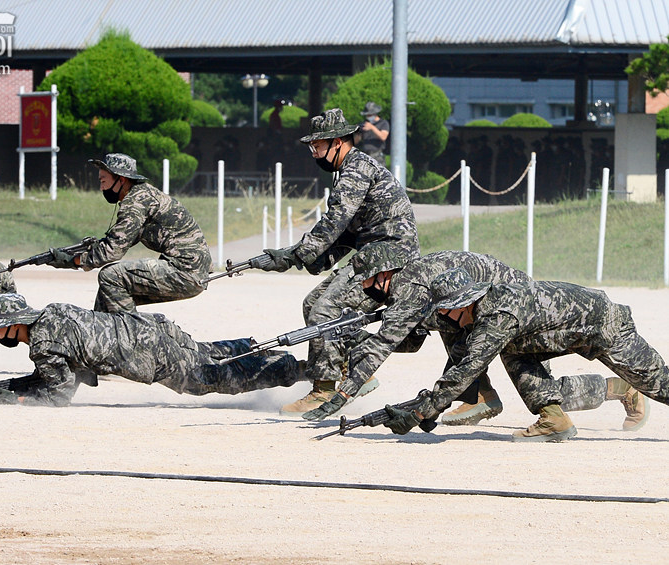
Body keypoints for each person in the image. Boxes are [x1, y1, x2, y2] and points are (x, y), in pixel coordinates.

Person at [302, 244, 646, 433]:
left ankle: (483, 396)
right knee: (513, 371)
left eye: (365, 282)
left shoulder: (411, 289)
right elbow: (412, 339)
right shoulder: (412, 287)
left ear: (382, 276)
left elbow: (387, 344)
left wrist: (340, 395)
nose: (363, 289)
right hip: (476, 310)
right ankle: (609, 392)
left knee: (496, 357)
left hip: (508, 309)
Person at [373, 268, 659, 442]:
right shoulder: (484, 309)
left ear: (463, 304)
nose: (443, 318)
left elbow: (467, 371)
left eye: (445, 310)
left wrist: (421, 412)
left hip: (605, 325)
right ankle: (553, 419)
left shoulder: (497, 318)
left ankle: (628, 389)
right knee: (512, 352)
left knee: (659, 384)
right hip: (567, 333)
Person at [258, 108, 419, 416]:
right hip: (374, 253)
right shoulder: (350, 169)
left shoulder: (356, 169)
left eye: (319, 144)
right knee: (312, 302)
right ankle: (356, 371)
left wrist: (295, 254)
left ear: (340, 142)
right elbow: (346, 234)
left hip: (388, 257)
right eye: (312, 145)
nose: (314, 151)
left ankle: (324, 389)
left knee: (325, 310)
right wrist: (304, 257)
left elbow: (335, 221)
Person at [0, 293, 308, 407]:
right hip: (151, 328)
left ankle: (299, 369)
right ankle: (249, 348)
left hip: (149, 354)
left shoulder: (44, 346)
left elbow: (57, 394)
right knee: (205, 353)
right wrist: (0, 387)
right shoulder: (52, 314)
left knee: (213, 378)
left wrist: (11, 399)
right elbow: (54, 376)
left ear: (15, 323)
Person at [50, 153, 211, 313]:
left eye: (103, 181)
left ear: (121, 179)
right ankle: (100, 333)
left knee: (111, 276)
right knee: (107, 291)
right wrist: (90, 250)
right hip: (192, 271)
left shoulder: (135, 203)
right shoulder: (142, 194)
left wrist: (73, 260)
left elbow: (113, 251)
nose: (101, 188)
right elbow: (120, 239)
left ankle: (130, 333)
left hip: (186, 272)